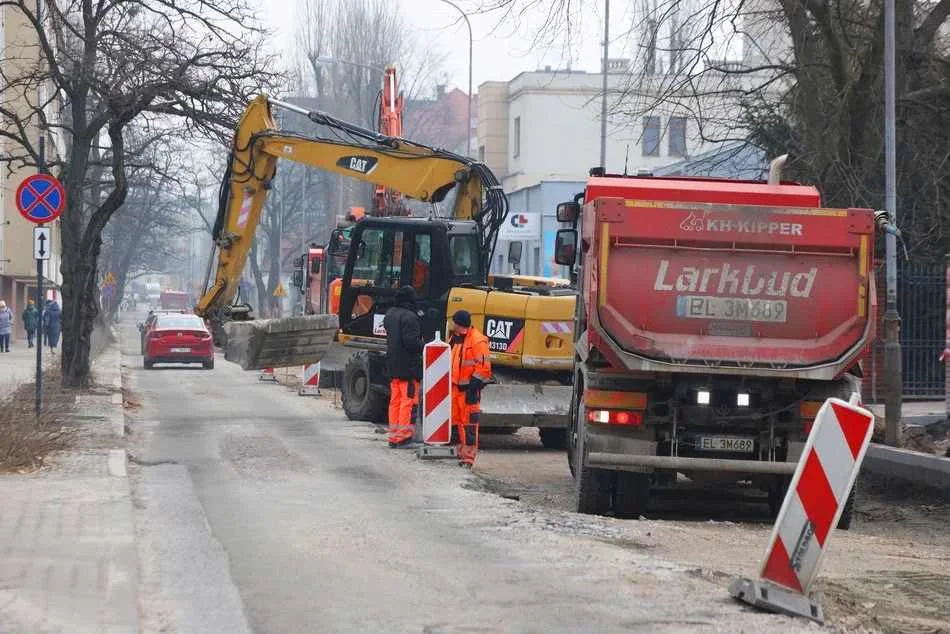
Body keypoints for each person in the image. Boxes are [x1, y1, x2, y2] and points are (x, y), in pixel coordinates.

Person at [383, 286, 424, 448]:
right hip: (408, 367)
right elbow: (411, 343)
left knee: (395, 401)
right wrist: (424, 345)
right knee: (408, 402)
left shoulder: (390, 314)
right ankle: (404, 436)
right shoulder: (410, 317)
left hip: (393, 365)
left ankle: (394, 436)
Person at [449, 310, 491, 467]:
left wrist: (474, 388)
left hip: (468, 390)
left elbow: (484, 368)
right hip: (455, 388)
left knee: (469, 425)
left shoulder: (477, 340)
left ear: (459, 324)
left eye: (454, 322)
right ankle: (461, 454)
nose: (452, 325)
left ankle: (468, 458)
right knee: (457, 423)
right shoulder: (456, 338)